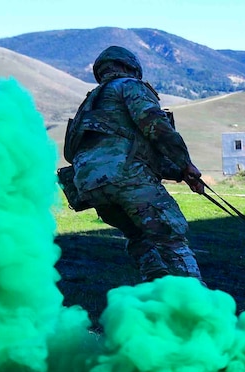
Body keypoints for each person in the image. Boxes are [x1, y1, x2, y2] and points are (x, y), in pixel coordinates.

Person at [66, 46, 206, 284]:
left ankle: (156, 302)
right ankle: (199, 310)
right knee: (171, 237)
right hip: (127, 178)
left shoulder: (90, 103)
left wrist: (180, 173)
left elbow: (74, 151)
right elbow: (157, 127)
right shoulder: (130, 86)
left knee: (140, 238)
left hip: (89, 188)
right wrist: (186, 165)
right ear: (130, 67)